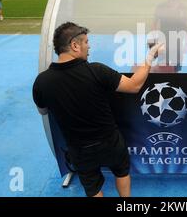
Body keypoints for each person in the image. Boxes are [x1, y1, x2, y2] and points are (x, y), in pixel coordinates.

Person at [32, 22, 163, 197]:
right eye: (86, 42)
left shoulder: (41, 82)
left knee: (93, 189)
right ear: (74, 45)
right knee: (122, 172)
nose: (89, 46)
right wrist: (150, 56)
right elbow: (134, 85)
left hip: (78, 149)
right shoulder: (96, 71)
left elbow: (43, 111)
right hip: (110, 142)